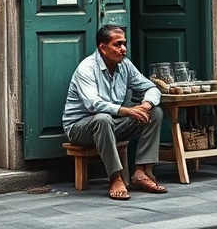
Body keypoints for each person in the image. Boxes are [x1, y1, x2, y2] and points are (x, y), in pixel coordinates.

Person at [62, 24, 168, 200]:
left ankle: (141, 172)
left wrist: (146, 104)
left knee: (155, 113)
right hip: (80, 128)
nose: (123, 49)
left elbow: (151, 87)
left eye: (124, 43)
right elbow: (93, 104)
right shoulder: (87, 68)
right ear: (102, 48)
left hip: (112, 123)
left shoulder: (125, 65)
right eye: (117, 44)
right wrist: (127, 110)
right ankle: (115, 177)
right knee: (102, 119)